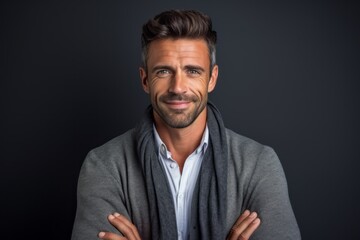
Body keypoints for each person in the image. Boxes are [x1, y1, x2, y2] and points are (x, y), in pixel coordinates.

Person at [71, 9, 301, 240]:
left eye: (192, 71)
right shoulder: (104, 166)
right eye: (163, 71)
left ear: (212, 78)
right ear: (145, 79)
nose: (178, 87)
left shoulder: (258, 165)